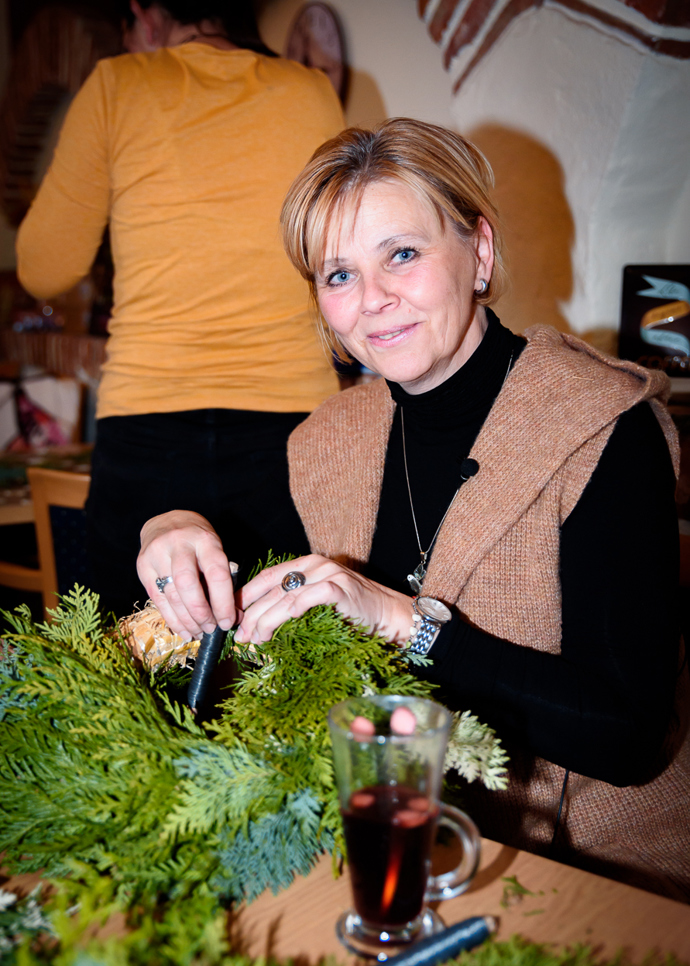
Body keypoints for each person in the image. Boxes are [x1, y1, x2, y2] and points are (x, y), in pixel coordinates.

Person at [137, 118, 689, 901]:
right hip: (393, 845)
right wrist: (172, 527)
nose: (373, 300)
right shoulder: (332, 437)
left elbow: (627, 734)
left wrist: (405, 622)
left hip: (598, 875)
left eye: (402, 253)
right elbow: (210, 522)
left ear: (480, 253)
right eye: (338, 275)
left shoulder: (603, 426)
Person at [16, 0, 344, 617]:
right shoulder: (311, 91)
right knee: (287, 659)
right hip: (293, 426)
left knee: (134, 669)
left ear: (143, 14)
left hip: (147, 424)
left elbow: (43, 267)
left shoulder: (119, 83)